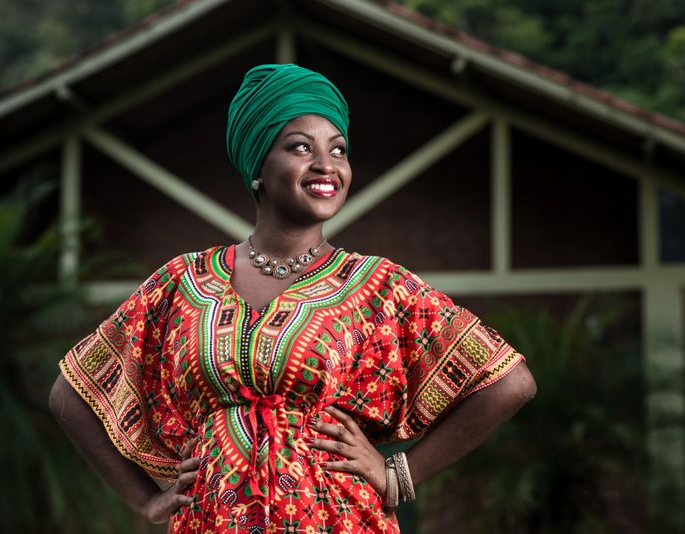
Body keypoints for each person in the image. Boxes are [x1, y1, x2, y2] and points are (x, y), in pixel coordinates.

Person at [49, 63, 537, 533]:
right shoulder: (182, 282)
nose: (327, 165)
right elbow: (70, 395)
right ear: (258, 165)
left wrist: (398, 475)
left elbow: (509, 383)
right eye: (301, 147)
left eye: (339, 150)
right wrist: (146, 500)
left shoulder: (379, 288)